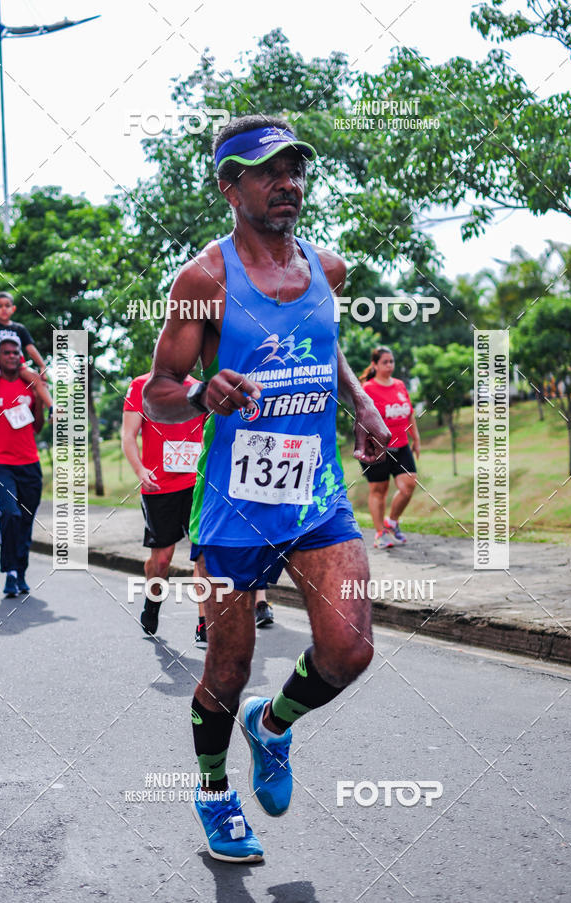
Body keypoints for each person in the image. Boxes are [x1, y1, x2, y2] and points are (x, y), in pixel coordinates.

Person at [143, 114, 390, 863]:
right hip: (234, 504)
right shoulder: (204, 280)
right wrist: (200, 396)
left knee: (348, 650)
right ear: (229, 187)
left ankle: (272, 726)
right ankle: (214, 789)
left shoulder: (328, 268)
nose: (288, 183)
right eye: (266, 171)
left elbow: (327, 343)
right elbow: (159, 391)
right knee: (226, 666)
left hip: (314, 493)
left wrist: (363, 402)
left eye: (295, 169)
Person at [122, 372, 209, 646]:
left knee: (203, 555)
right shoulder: (141, 386)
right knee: (161, 560)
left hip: (196, 482)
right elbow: (128, 435)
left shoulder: (199, 389)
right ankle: (153, 598)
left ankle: (204, 624)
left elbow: (212, 434)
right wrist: (140, 470)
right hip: (159, 485)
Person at [0, 338, 45, 596]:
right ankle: (9, 572)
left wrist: (40, 399)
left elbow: (38, 427)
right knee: (10, 514)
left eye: (15, 352)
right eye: (5, 352)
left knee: (26, 521)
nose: (11, 356)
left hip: (30, 463)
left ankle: (20, 571)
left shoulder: (30, 384)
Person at [359, 346, 420, 548]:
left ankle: (392, 522)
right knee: (379, 490)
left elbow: (409, 413)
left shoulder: (400, 385)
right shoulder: (368, 389)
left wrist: (416, 438)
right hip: (376, 448)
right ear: (375, 365)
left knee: (408, 485)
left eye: (391, 361)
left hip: (401, 445)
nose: (389, 365)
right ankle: (380, 533)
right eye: (385, 362)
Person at [0, 291, 53, 415]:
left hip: (17, 364)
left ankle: (52, 408)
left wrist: (42, 365)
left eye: (7, 305)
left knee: (35, 377)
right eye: (0, 306)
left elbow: (31, 349)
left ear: (13, 309)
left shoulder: (19, 328)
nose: (4, 309)